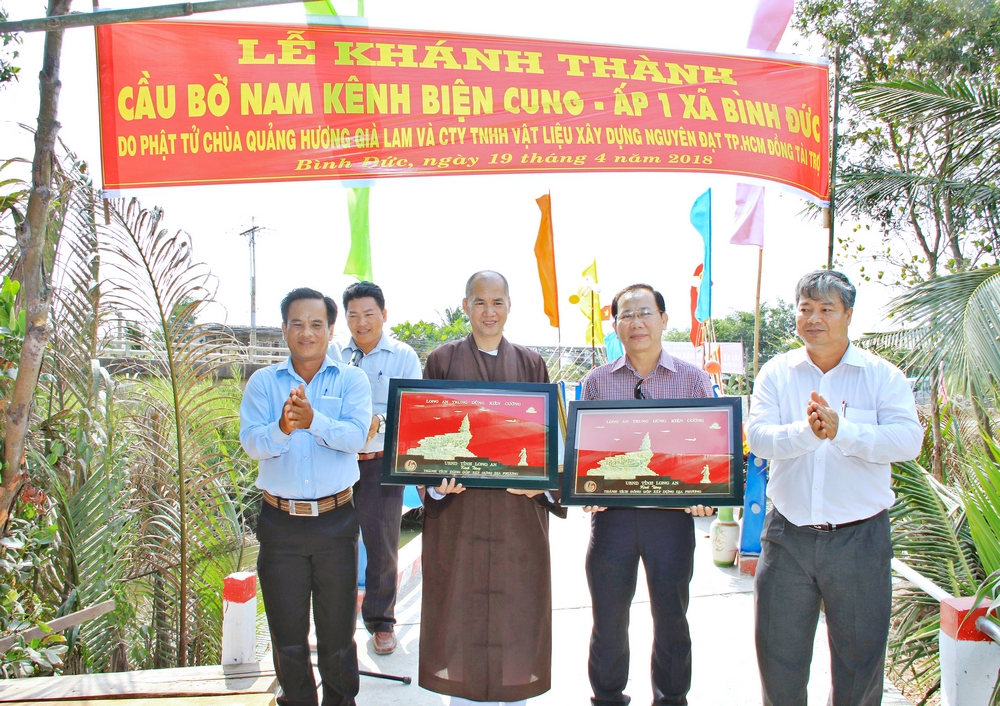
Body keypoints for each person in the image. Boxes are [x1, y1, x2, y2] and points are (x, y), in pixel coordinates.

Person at [748, 270, 922, 706]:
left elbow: (908, 441)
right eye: (805, 308)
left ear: (848, 314)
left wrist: (844, 431)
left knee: (859, 669)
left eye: (827, 309)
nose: (814, 318)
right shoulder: (777, 373)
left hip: (860, 540)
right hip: (787, 536)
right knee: (778, 662)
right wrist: (807, 433)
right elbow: (760, 438)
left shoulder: (881, 376)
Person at [418, 270, 565, 706]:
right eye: (480, 302)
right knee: (458, 608)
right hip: (459, 516)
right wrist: (437, 489)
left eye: (497, 302)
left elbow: (547, 444)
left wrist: (542, 487)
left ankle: (516, 693)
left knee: (517, 612)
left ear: (509, 306)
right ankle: (460, 694)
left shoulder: (532, 364)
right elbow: (424, 433)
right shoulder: (441, 361)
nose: (489, 311)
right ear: (466, 306)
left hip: (516, 516)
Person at [581, 283, 714, 706]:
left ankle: (672, 698)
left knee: (672, 619)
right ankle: (607, 697)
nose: (636, 322)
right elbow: (586, 451)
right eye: (626, 314)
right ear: (615, 324)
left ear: (663, 319)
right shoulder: (597, 381)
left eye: (645, 313)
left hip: (671, 521)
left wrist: (707, 491)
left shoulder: (693, 379)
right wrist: (585, 489)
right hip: (612, 519)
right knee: (608, 619)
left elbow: (710, 448)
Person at [240, 288, 372, 706]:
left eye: (316, 324)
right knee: (288, 637)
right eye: (297, 323)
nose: (307, 333)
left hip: (336, 522)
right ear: (284, 329)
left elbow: (355, 437)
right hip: (280, 525)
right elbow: (251, 443)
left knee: (338, 637)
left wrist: (314, 420)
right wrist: (282, 428)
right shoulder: (263, 383)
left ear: (331, 330)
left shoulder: (351, 380)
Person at [330, 281, 422, 656]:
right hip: (336, 462)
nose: (361, 322)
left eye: (369, 314)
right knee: (332, 544)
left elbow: (413, 409)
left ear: (383, 314)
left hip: (381, 463)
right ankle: (332, 623)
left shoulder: (403, 356)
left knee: (382, 545)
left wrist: (378, 423)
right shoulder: (334, 354)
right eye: (353, 315)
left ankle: (381, 622)